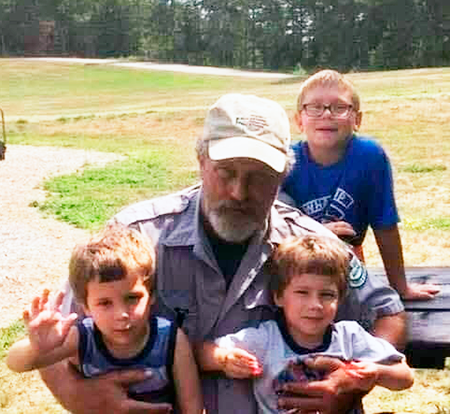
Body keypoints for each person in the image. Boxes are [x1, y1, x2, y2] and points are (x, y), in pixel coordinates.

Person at [40, 93, 406, 414]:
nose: (239, 192)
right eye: (225, 172)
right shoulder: (136, 237)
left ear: (282, 178)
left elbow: (387, 313)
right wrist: (77, 394)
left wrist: (353, 381)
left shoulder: (313, 245)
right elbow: (53, 333)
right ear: (201, 161)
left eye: (260, 176)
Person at [196, 234, 414, 413]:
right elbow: (200, 354)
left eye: (327, 295)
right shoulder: (264, 340)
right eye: (302, 292)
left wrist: (376, 372)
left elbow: (405, 376)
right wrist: (223, 359)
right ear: (278, 297)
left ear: (340, 298)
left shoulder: (350, 337)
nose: (315, 305)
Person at [8, 224, 204, 414]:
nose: (121, 314)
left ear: (151, 295)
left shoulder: (171, 339)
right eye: (105, 303)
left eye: (132, 298)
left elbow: (192, 406)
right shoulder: (83, 338)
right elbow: (14, 363)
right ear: (86, 307)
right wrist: (37, 348)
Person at [281, 69, 439, 301]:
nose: (326, 114)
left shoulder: (369, 157)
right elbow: (269, 231)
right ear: (298, 121)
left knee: (378, 313)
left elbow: (384, 225)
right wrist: (315, 234)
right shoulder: (286, 163)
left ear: (357, 120)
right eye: (314, 107)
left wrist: (401, 287)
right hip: (294, 270)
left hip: (348, 263)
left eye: (339, 107)